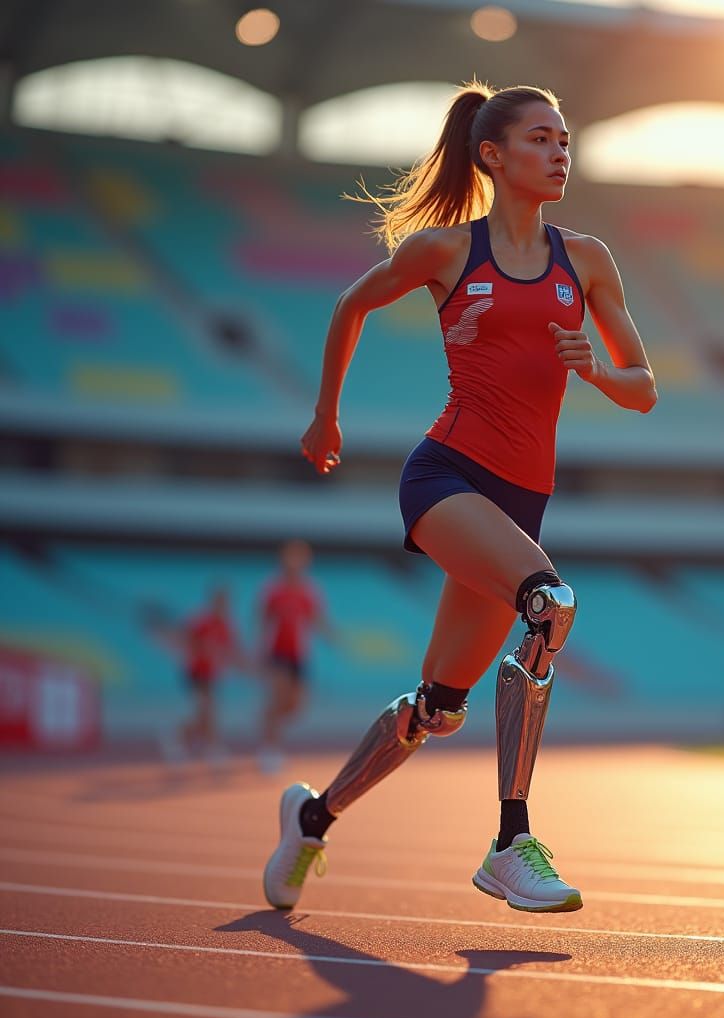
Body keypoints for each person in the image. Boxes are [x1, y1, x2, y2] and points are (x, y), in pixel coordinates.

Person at [262, 81, 657, 914]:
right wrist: (325, 416)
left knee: (437, 708)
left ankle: (312, 817)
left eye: (564, 140)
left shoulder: (585, 259)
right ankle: (512, 842)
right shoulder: (445, 253)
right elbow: (350, 303)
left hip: (521, 502)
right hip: (446, 478)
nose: (560, 153)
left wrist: (595, 369)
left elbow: (643, 387)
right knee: (548, 604)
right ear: (493, 154)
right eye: (542, 139)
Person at [259, 539, 336, 774]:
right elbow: (263, 620)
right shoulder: (274, 589)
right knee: (278, 697)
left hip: (299, 655)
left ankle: (268, 718)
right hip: (278, 652)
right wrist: (261, 650)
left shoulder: (309, 590)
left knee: (295, 706)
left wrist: (331, 635)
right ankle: (270, 749)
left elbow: (317, 619)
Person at [159, 585, 239, 765]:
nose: (223, 606)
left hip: (211, 674)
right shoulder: (201, 621)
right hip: (196, 673)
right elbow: (186, 640)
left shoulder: (225, 626)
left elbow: (230, 650)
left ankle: (180, 737)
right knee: (207, 709)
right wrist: (198, 651)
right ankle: (210, 747)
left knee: (207, 713)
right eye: (220, 602)